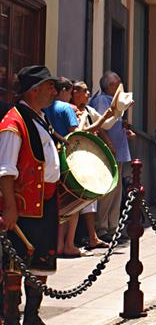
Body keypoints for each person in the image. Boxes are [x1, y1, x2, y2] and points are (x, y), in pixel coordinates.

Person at [0, 65, 62, 325]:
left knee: (41, 263)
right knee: (15, 265)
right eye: (50, 86)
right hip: (24, 206)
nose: (54, 91)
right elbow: (5, 169)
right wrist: (9, 207)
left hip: (44, 203)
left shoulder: (39, 118)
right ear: (34, 89)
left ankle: (33, 319)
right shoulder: (13, 123)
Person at [71, 81, 120, 250]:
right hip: (75, 156)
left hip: (88, 156)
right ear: (74, 92)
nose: (88, 94)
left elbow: (105, 125)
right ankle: (73, 240)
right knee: (77, 198)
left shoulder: (88, 110)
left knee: (89, 198)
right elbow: (80, 132)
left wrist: (115, 112)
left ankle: (91, 236)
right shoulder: (71, 110)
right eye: (85, 91)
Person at [90, 71, 133, 242]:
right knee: (108, 190)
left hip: (118, 151)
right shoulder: (102, 100)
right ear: (110, 86)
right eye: (118, 83)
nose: (121, 85)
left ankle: (113, 227)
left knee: (117, 190)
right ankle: (101, 227)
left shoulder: (115, 102)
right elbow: (100, 125)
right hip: (108, 151)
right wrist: (108, 143)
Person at [44, 78, 81, 257]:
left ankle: (57, 243)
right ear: (64, 90)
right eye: (71, 91)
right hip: (66, 158)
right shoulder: (66, 108)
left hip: (48, 157)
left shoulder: (44, 108)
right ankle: (69, 243)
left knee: (55, 201)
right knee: (73, 200)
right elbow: (75, 135)